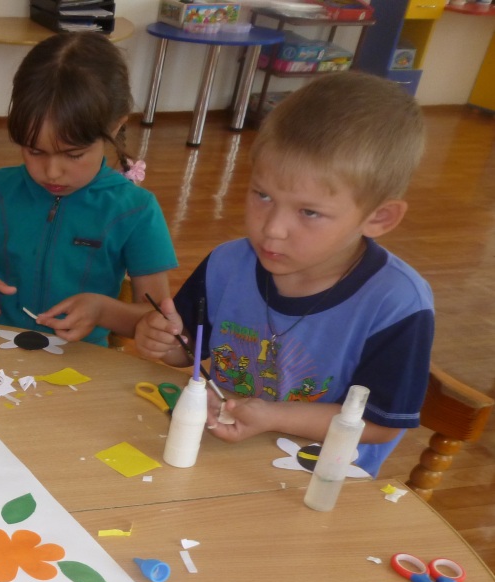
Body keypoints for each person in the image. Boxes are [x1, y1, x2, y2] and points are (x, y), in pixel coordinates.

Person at [133, 72, 431, 478]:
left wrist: (272, 415)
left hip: (318, 481)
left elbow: (381, 423)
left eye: (309, 212)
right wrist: (164, 341)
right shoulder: (228, 263)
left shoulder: (397, 304)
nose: (272, 229)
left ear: (379, 217)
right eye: (263, 195)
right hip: (217, 456)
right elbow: (187, 349)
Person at [0, 32, 174, 347]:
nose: (52, 172)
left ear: (115, 126)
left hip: (82, 360)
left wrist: (102, 311)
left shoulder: (136, 210)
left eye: (74, 154)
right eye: (35, 151)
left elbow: (157, 320)